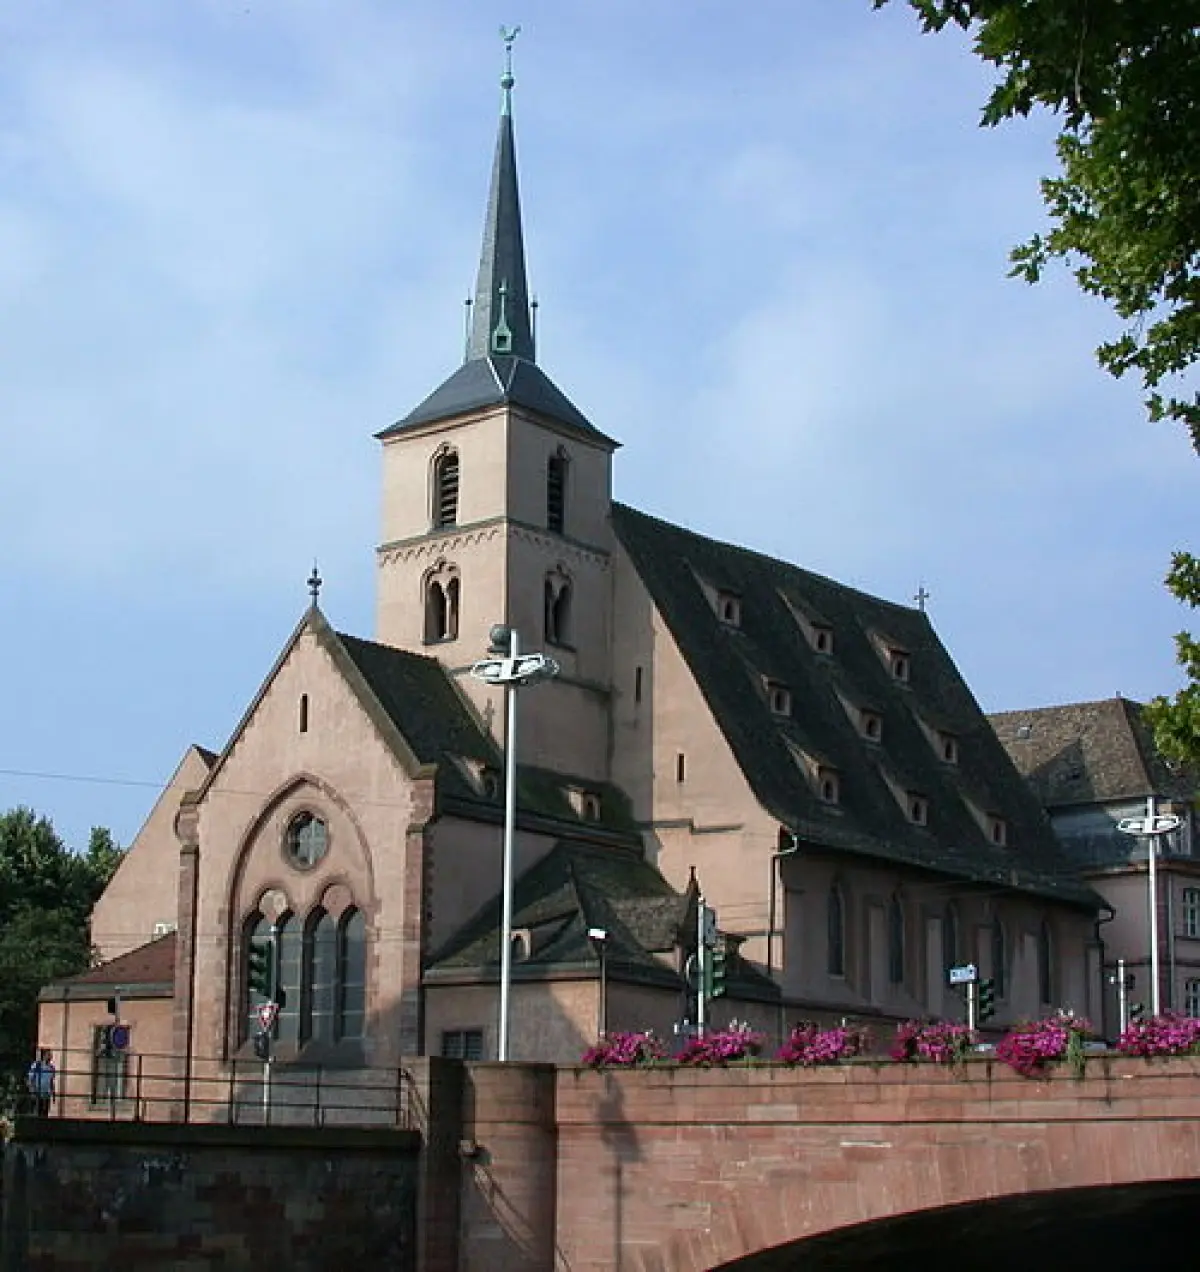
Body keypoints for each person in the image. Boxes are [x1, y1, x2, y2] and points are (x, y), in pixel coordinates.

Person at [26, 1047, 55, 1116]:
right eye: (49, 1054)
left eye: (51, 1054)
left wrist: (53, 1093)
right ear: (44, 1055)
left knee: (45, 1113)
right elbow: (30, 1079)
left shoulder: (51, 1067)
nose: (51, 1056)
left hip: (46, 1094)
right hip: (38, 1093)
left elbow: (51, 1080)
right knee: (38, 1112)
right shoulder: (36, 1065)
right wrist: (32, 1091)